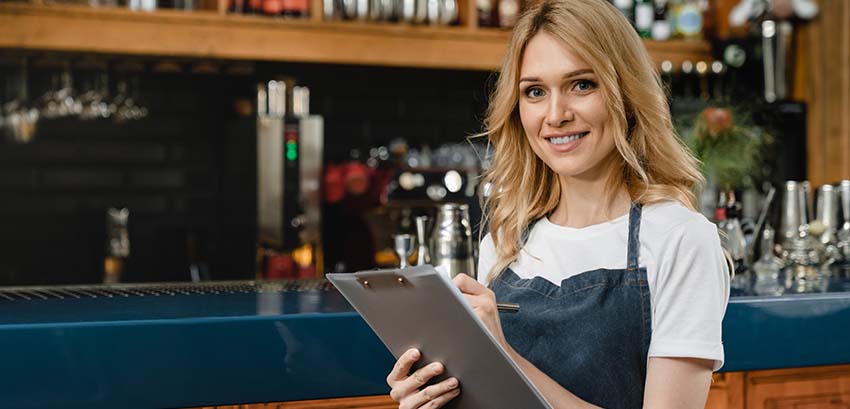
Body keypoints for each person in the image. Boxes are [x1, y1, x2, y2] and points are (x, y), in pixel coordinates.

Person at [385, 0, 731, 407]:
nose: (555, 114)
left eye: (582, 84)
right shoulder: (504, 242)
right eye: (535, 91)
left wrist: (504, 359)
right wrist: (437, 396)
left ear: (626, 91)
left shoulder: (680, 239)